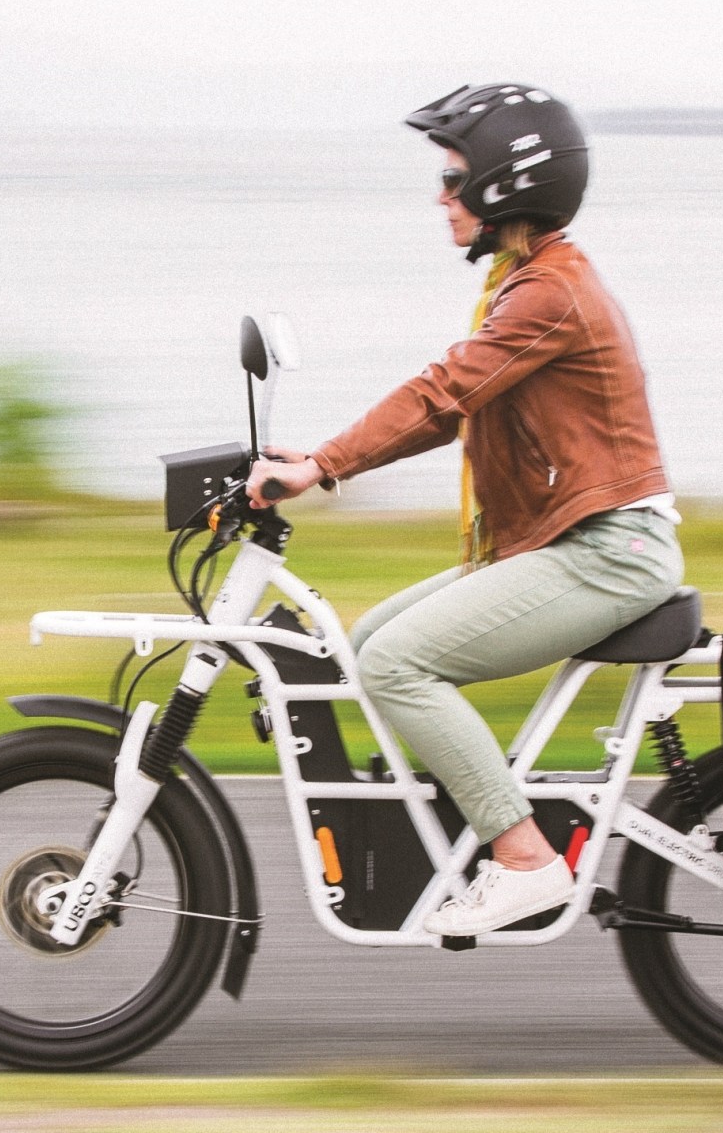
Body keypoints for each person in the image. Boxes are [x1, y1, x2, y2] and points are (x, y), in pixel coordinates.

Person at [246, 82, 683, 937]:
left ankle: (523, 860)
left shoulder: (549, 295)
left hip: (608, 550)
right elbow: (454, 404)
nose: (441, 197)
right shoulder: (533, 282)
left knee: (398, 663)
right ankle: (444, 835)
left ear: (504, 190)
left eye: (455, 179)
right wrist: (321, 460)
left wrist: (325, 465)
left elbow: (443, 395)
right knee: (369, 643)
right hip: (571, 541)